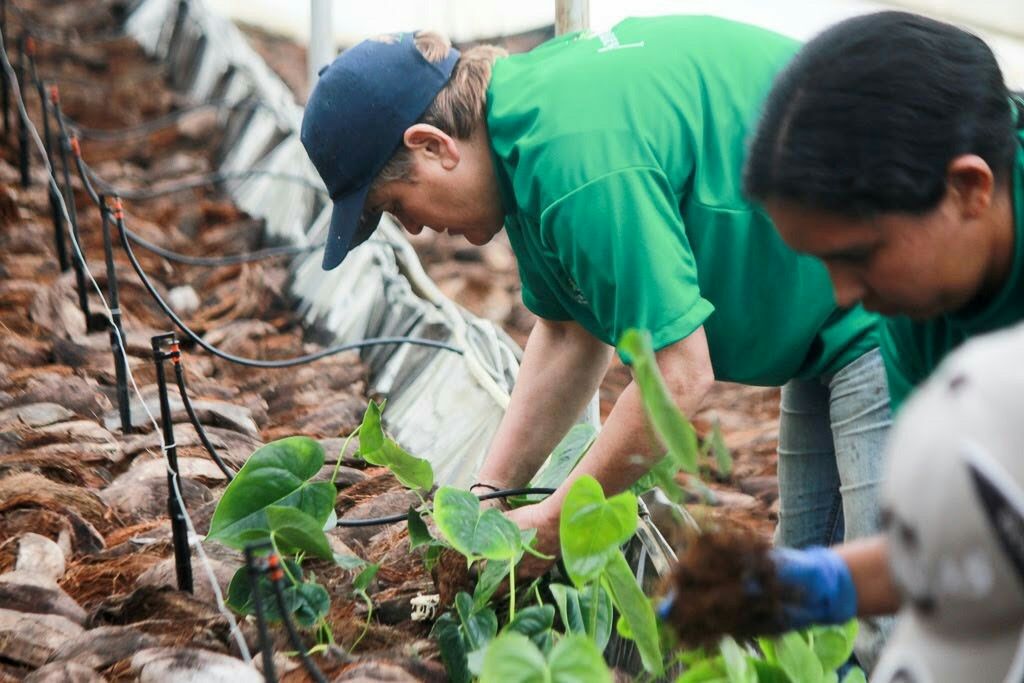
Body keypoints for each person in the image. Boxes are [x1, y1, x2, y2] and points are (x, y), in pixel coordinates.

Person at [299, 19, 891, 578]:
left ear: (433, 146)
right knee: (815, 598)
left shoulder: (575, 160)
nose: (415, 230)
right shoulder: (523, 132)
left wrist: (558, 521)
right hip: (828, 318)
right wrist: (486, 501)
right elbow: (567, 335)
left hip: (892, 289)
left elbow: (679, 373)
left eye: (397, 205)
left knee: (882, 612)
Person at [662, 11, 1024, 679]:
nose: (843, 294)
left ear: (969, 188)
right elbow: (957, 539)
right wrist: (813, 583)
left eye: (859, 255)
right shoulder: (917, 312)